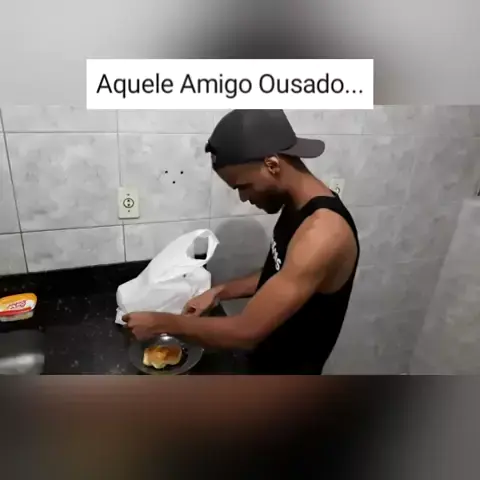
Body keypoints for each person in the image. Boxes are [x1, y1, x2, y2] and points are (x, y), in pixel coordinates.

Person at [124, 109, 360, 374]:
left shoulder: (324, 232)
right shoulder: (297, 206)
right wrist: (219, 292)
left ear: (273, 165)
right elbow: (281, 272)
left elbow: (246, 331)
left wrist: (161, 323)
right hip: (264, 364)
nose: (243, 198)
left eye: (243, 186)